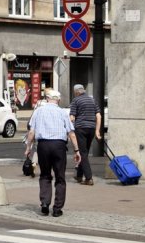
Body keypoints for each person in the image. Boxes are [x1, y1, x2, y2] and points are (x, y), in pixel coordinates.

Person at [26, 87, 80, 217]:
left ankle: (45, 203)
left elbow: (31, 132)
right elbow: (71, 133)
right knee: (60, 177)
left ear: (47, 99)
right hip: (59, 146)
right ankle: (57, 209)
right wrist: (77, 150)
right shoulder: (62, 113)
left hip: (43, 145)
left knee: (45, 175)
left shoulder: (38, 111)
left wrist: (28, 148)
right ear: (58, 100)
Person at [70, 84, 103, 185]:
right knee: (84, 152)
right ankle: (79, 175)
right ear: (83, 90)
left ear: (76, 92)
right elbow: (99, 116)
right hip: (91, 129)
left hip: (81, 129)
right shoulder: (92, 100)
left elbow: (72, 118)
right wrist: (97, 131)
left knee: (83, 153)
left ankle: (89, 178)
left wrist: (70, 129)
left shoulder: (76, 100)